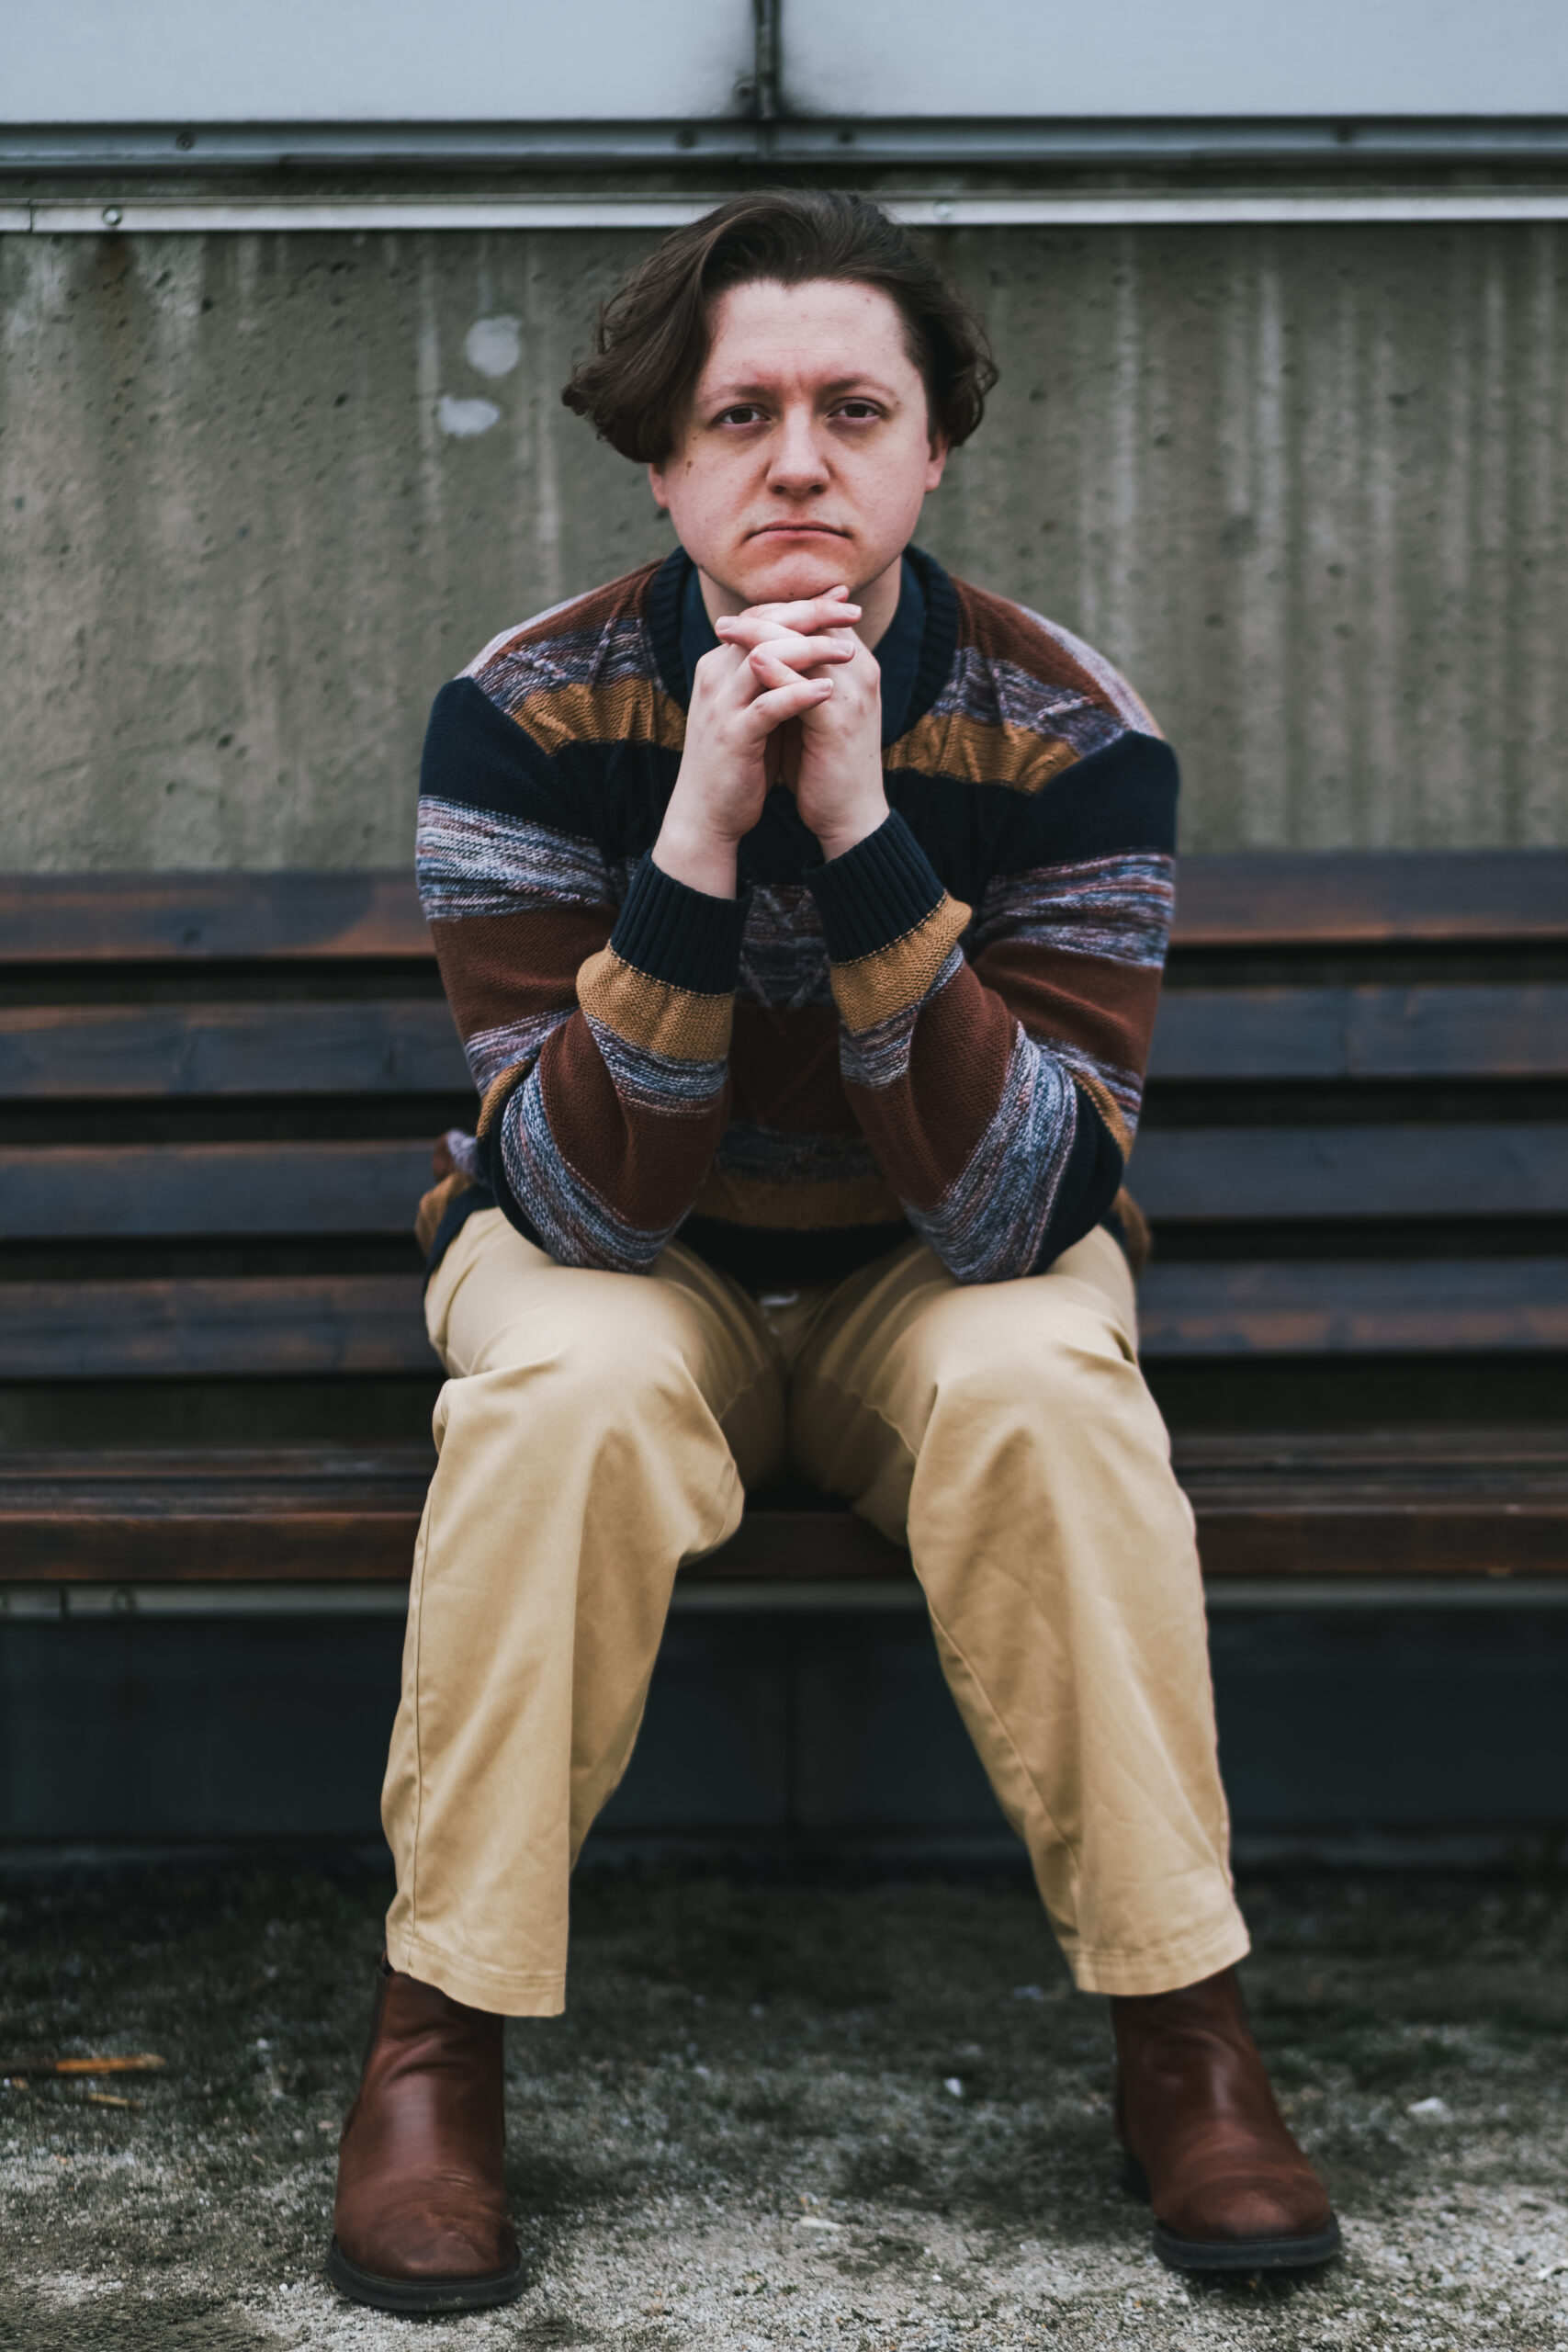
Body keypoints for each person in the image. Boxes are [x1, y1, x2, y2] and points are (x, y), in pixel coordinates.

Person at [327, 189, 1338, 2314]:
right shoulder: (522, 714)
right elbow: (577, 1202)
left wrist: (864, 830)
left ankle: (1186, 2036)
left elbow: (1022, 1210)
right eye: (741, 414)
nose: (797, 461)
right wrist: (699, 832)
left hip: (929, 1276)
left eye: (853, 410)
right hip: (625, 1263)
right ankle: (436, 2051)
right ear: (661, 457)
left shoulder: (1070, 731)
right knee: (565, 1387)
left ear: (930, 447)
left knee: (1047, 1380)